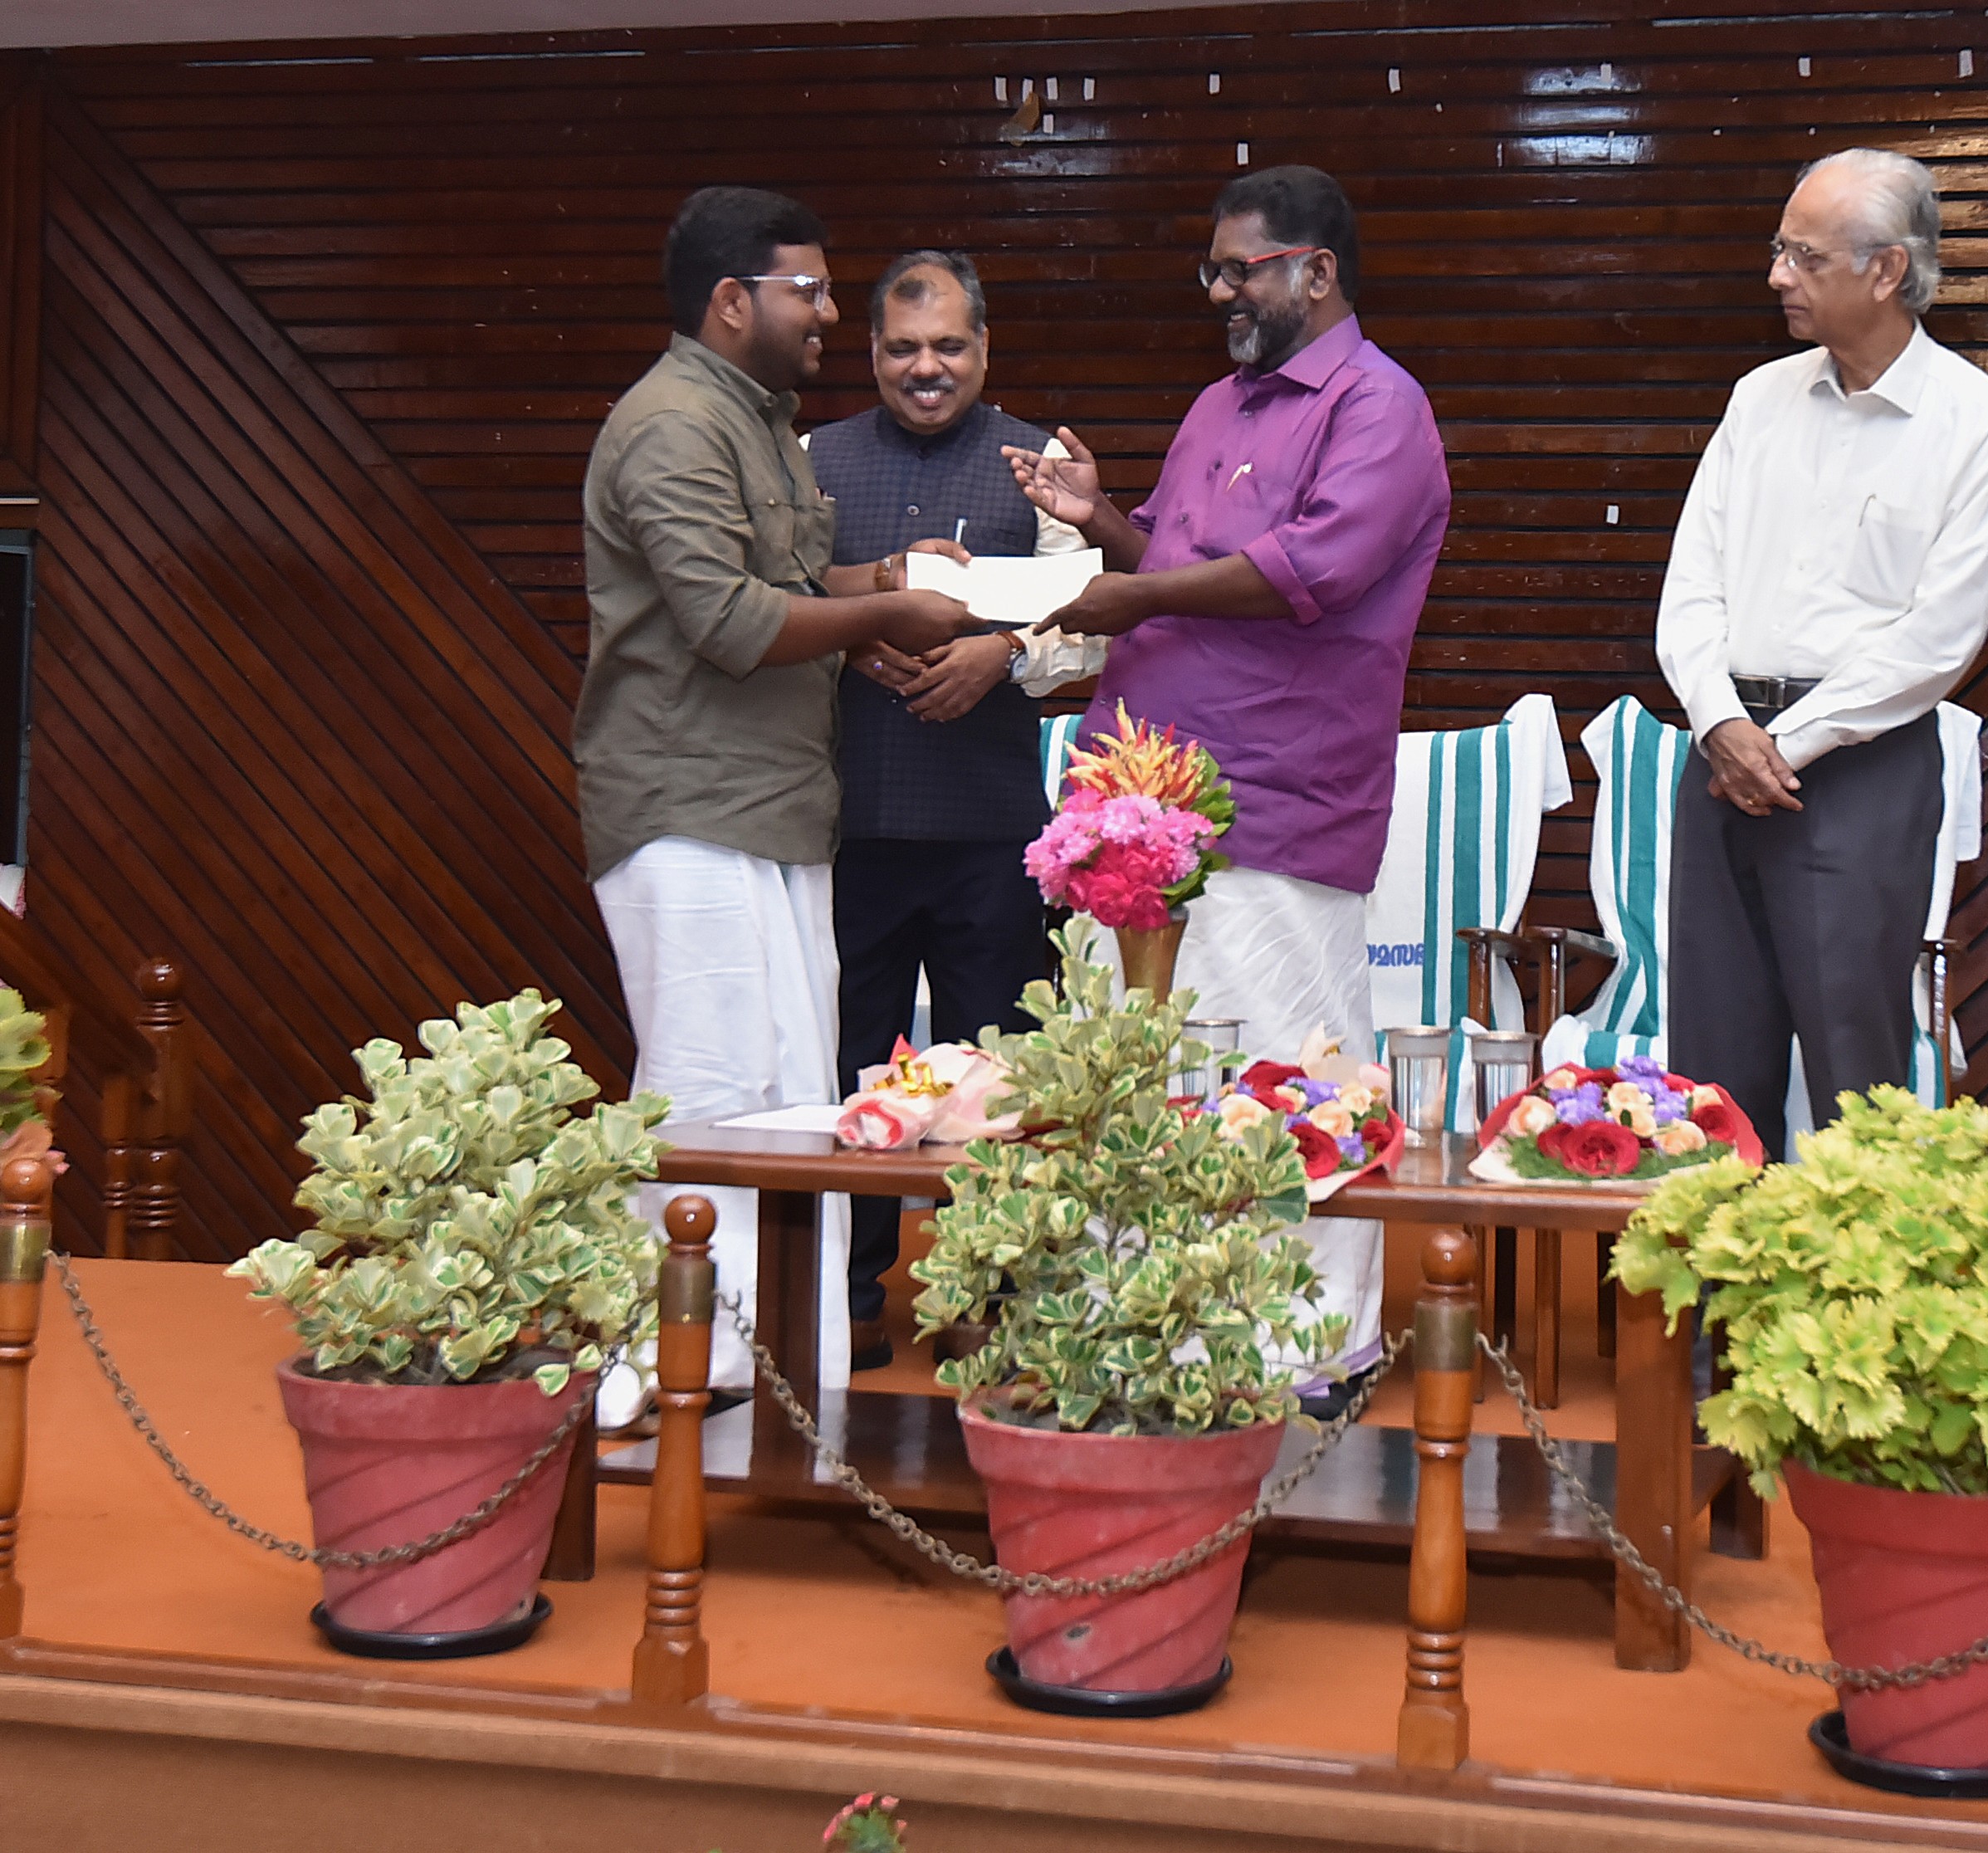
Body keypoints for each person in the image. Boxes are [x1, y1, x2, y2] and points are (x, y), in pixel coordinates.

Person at [1005, 166, 1450, 1404]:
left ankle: (1306, 1356)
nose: (1217, 292)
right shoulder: (1217, 404)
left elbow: (1303, 570)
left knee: (1283, 1076)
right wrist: (1103, 521)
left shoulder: (1379, 406)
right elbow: (1173, 560)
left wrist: (1130, 590)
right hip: (1136, 804)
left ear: (1317, 270)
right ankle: (1152, 1340)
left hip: (1273, 800)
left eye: (1238, 269)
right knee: (1136, 1081)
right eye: (1210, 270)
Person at [575, 186, 970, 1420]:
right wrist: (889, 612)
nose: (829, 311)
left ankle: (765, 1374)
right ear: (731, 301)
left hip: (777, 812)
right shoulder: (671, 426)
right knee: (708, 1104)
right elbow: (729, 620)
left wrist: (880, 579)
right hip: (690, 812)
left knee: (789, 1100)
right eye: (808, 289)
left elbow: (785, 582)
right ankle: (671, 1373)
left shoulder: (752, 421)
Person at [1652, 147, 1988, 1162]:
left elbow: (1937, 639)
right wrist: (1720, 722)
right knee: (1710, 1077)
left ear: (1886, 270)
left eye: (1804, 256)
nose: (1776, 274)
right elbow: (1690, 588)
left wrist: (1784, 745)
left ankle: (1855, 1271)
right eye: (1780, 250)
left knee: (1852, 1071)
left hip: (1859, 766)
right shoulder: (1757, 398)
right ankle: (1716, 1274)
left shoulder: (1979, 421)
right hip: (1720, 755)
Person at [804, 250, 1099, 1371]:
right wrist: (848, 636)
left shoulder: (1040, 465)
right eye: (901, 348)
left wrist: (1002, 653)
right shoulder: (810, 462)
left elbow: (1091, 623)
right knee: (847, 1072)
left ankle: (998, 1297)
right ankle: (846, 1300)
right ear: (872, 353)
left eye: (946, 346)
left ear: (984, 349)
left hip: (989, 831)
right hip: (849, 830)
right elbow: (768, 602)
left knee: (998, 1074)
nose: (924, 368)